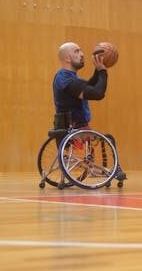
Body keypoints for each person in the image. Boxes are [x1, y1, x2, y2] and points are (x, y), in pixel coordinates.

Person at [52, 41, 126, 181]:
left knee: (106, 137)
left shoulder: (68, 77)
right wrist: (103, 72)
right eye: (77, 51)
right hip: (73, 128)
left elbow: (89, 86)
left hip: (70, 126)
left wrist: (98, 70)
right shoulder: (65, 79)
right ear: (67, 58)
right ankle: (115, 170)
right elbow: (97, 94)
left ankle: (111, 170)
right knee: (108, 138)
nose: (82, 54)